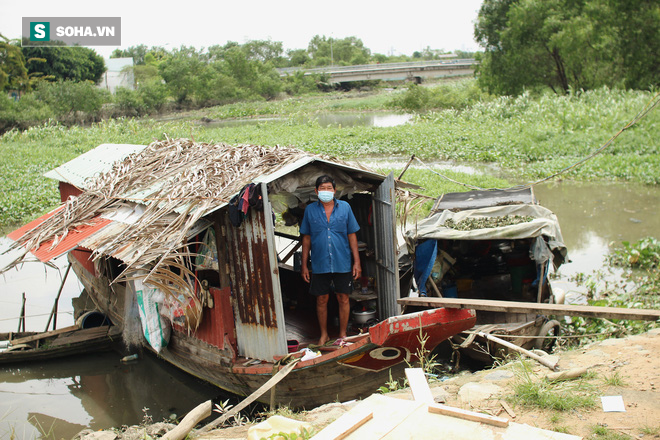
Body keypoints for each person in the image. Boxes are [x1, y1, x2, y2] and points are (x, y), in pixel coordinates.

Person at [300, 175, 361, 345]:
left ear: (334, 191)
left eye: (329, 188)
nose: (325, 191)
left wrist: (357, 262)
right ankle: (324, 335)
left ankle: (342, 335)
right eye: (322, 188)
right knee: (321, 299)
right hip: (320, 263)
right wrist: (304, 265)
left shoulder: (345, 208)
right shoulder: (310, 210)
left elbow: (352, 235)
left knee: (343, 298)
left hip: (342, 262)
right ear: (316, 191)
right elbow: (306, 238)